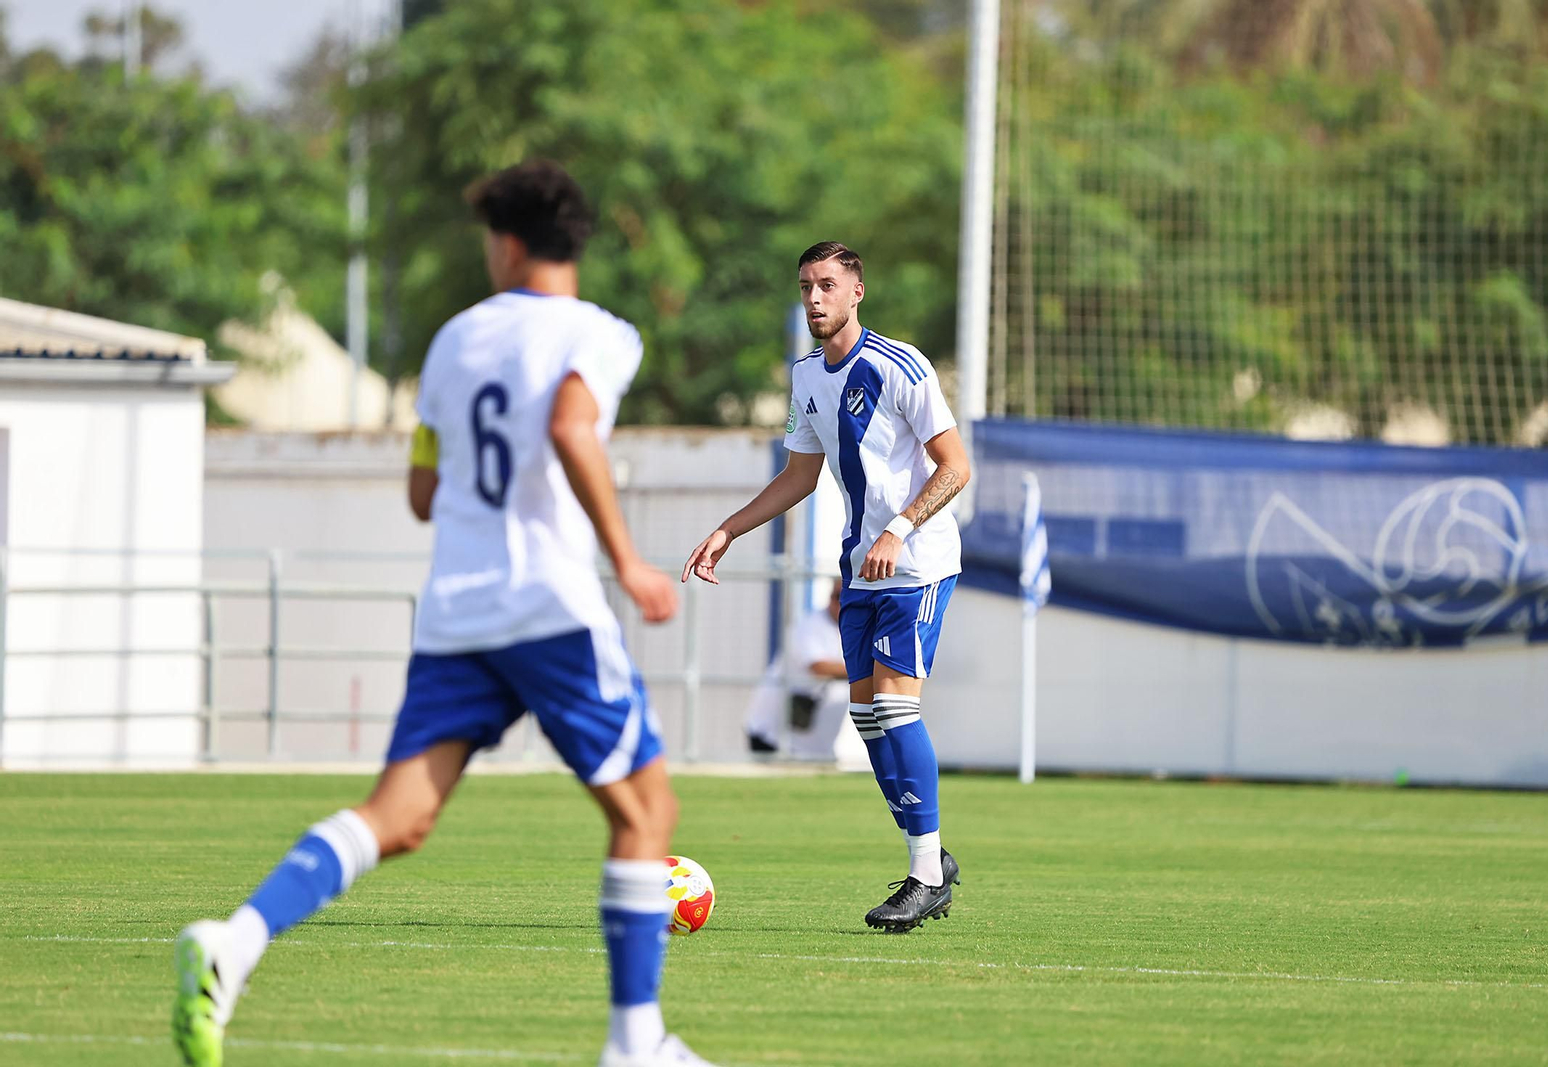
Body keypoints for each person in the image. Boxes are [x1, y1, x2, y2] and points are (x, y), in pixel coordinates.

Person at [172, 161, 719, 1067]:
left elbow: (424, 491)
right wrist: (628, 558)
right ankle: (636, 1045)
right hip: (548, 604)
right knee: (646, 813)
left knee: (399, 816)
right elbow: (571, 428)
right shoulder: (600, 334)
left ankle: (237, 940)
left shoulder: (453, 341)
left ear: (506, 242)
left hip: (457, 612)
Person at [682, 242, 969, 932]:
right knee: (869, 721)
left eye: (828, 286)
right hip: (859, 570)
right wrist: (729, 528)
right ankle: (930, 856)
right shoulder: (806, 375)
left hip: (918, 562)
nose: (815, 298)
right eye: (806, 286)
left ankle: (925, 873)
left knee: (898, 711)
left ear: (857, 291)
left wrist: (899, 528)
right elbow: (798, 476)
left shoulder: (902, 365)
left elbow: (956, 467)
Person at [744, 580, 853, 760]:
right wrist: (867, 669)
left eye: (845, 597)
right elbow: (819, 667)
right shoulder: (810, 625)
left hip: (814, 743)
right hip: (775, 737)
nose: (839, 603)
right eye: (836, 596)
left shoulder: (854, 630)